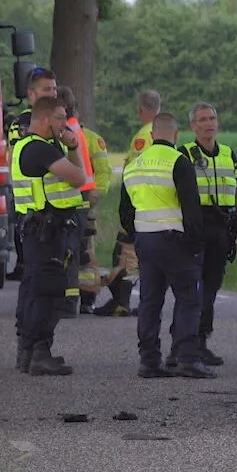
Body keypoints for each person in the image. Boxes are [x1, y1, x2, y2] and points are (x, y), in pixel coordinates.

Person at [120, 112, 214, 380]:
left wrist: (138, 234)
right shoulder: (179, 162)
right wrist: (196, 243)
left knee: (150, 301)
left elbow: (125, 212)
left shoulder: (134, 165)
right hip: (176, 241)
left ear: (151, 135)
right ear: (176, 135)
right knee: (188, 299)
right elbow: (191, 208)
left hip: (146, 241)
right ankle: (187, 358)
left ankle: (149, 360)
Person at [9, 96, 88, 376]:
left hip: (38, 229)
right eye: (59, 118)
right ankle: (40, 353)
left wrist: (71, 145)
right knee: (48, 292)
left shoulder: (29, 147)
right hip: (47, 230)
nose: (64, 125)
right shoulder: (39, 149)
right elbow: (80, 178)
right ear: (43, 120)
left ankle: (29, 353)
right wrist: (75, 146)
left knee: (35, 289)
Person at [179, 103, 237, 366]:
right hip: (197, 226)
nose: (209, 123)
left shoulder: (228, 154)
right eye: (202, 120)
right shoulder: (184, 154)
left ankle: (201, 341)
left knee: (211, 287)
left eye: (212, 118)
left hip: (223, 227)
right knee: (192, 288)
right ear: (193, 126)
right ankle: (185, 343)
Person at [93, 88, 162, 317]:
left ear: (141, 109)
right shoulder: (165, 131)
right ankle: (139, 301)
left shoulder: (144, 135)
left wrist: (128, 206)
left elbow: (136, 172)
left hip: (138, 202)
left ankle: (121, 301)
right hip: (157, 203)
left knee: (124, 250)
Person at [59, 87, 113, 314]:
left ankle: (88, 297)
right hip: (65, 202)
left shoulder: (91, 139)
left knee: (86, 255)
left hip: (84, 203)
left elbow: (103, 172)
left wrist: (95, 195)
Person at [5, 66, 59, 283]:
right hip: (34, 207)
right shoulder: (25, 123)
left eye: (54, 89)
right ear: (32, 95)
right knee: (36, 269)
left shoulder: (52, 120)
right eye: (47, 89)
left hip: (50, 204)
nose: (53, 94)